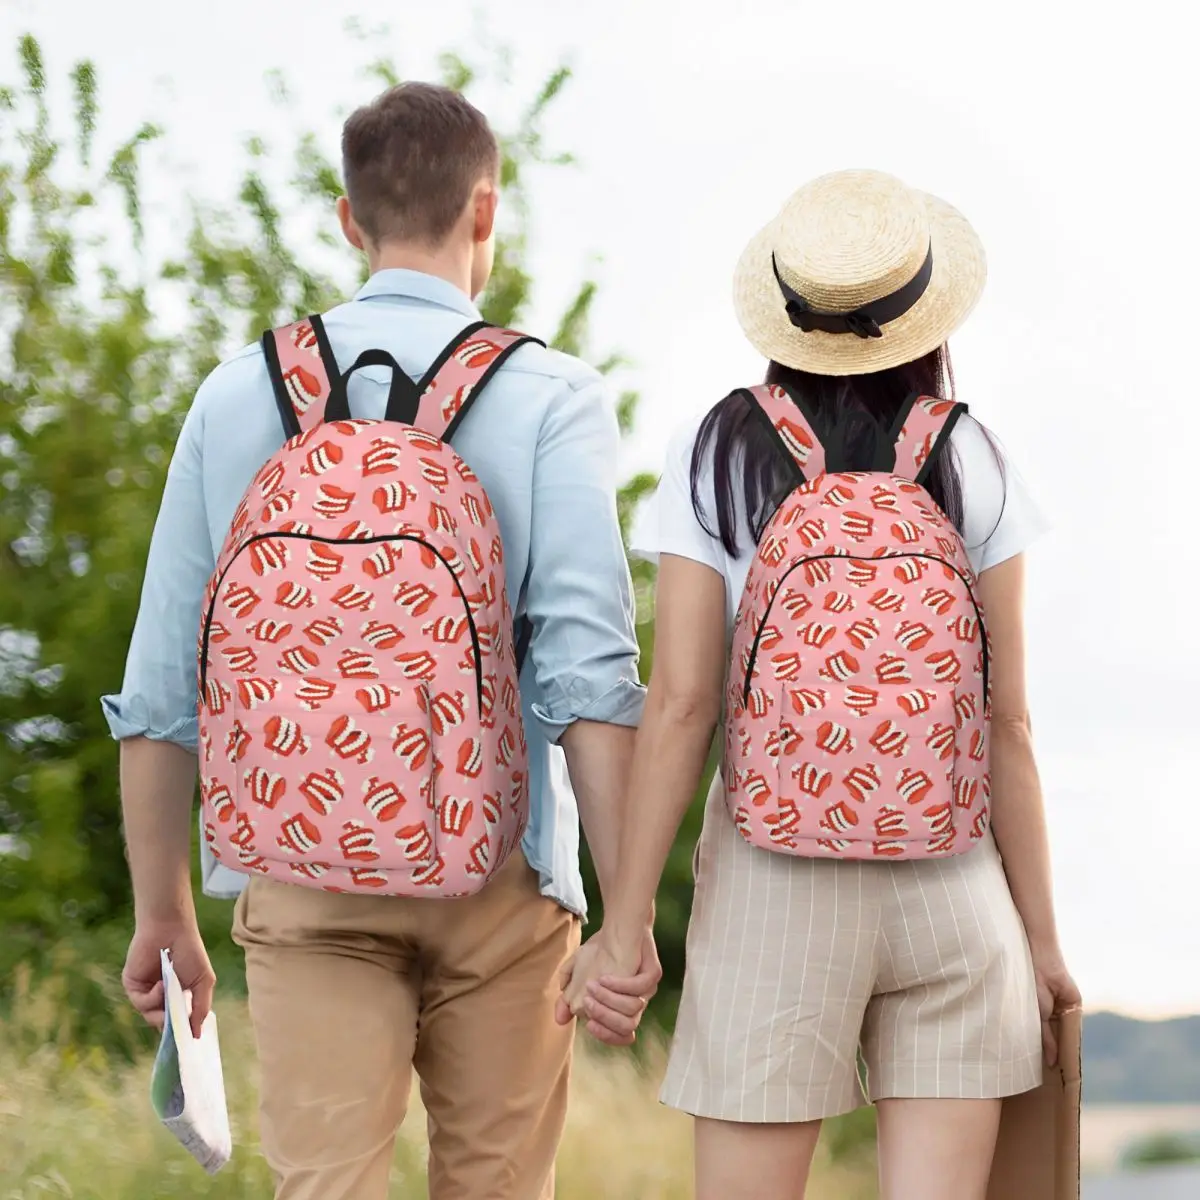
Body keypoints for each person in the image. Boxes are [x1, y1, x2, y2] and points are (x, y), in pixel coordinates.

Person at [104, 81, 661, 1200]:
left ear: (349, 219)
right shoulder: (550, 394)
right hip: (501, 873)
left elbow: (164, 683)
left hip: (299, 871)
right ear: (486, 213)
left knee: (325, 1186)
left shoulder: (237, 393)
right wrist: (627, 915)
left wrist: (162, 909)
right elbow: (588, 678)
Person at [560, 169, 1080, 1200]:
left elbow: (682, 706)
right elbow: (1008, 721)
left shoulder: (717, 450)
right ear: (924, 314)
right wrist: (1042, 942)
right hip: (955, 884)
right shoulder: (972, 454)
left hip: (772, 883)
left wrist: (624, 928)